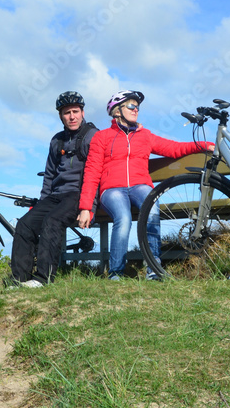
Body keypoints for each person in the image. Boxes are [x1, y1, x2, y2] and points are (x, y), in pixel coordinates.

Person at [77, 90, 213, 280]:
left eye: (137, 107)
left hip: (140, 185)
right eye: (131, 106)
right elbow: (92, 172)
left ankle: (154, 268)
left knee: (152, 209)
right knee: (123, 218)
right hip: (112, 190)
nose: (136, 110)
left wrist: (202, 145)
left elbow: (174, 148)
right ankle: (115, 272)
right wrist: (85, 208)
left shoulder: (145, 135)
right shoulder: (102, 137)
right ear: (117, 111)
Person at [9, 91, 98, 288]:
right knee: (24, 224)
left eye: (75, 111)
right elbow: (49, 175)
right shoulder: (57, 140)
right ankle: (19, 280)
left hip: (79, 195)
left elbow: (97, 175)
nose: (72, 116)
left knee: (52, 221)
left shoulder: (92, 136)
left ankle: (43, 279)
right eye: (67, 113)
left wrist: (89, 207)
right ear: (60, 116)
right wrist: (41, 204)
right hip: (56, 196)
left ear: (83, 113)